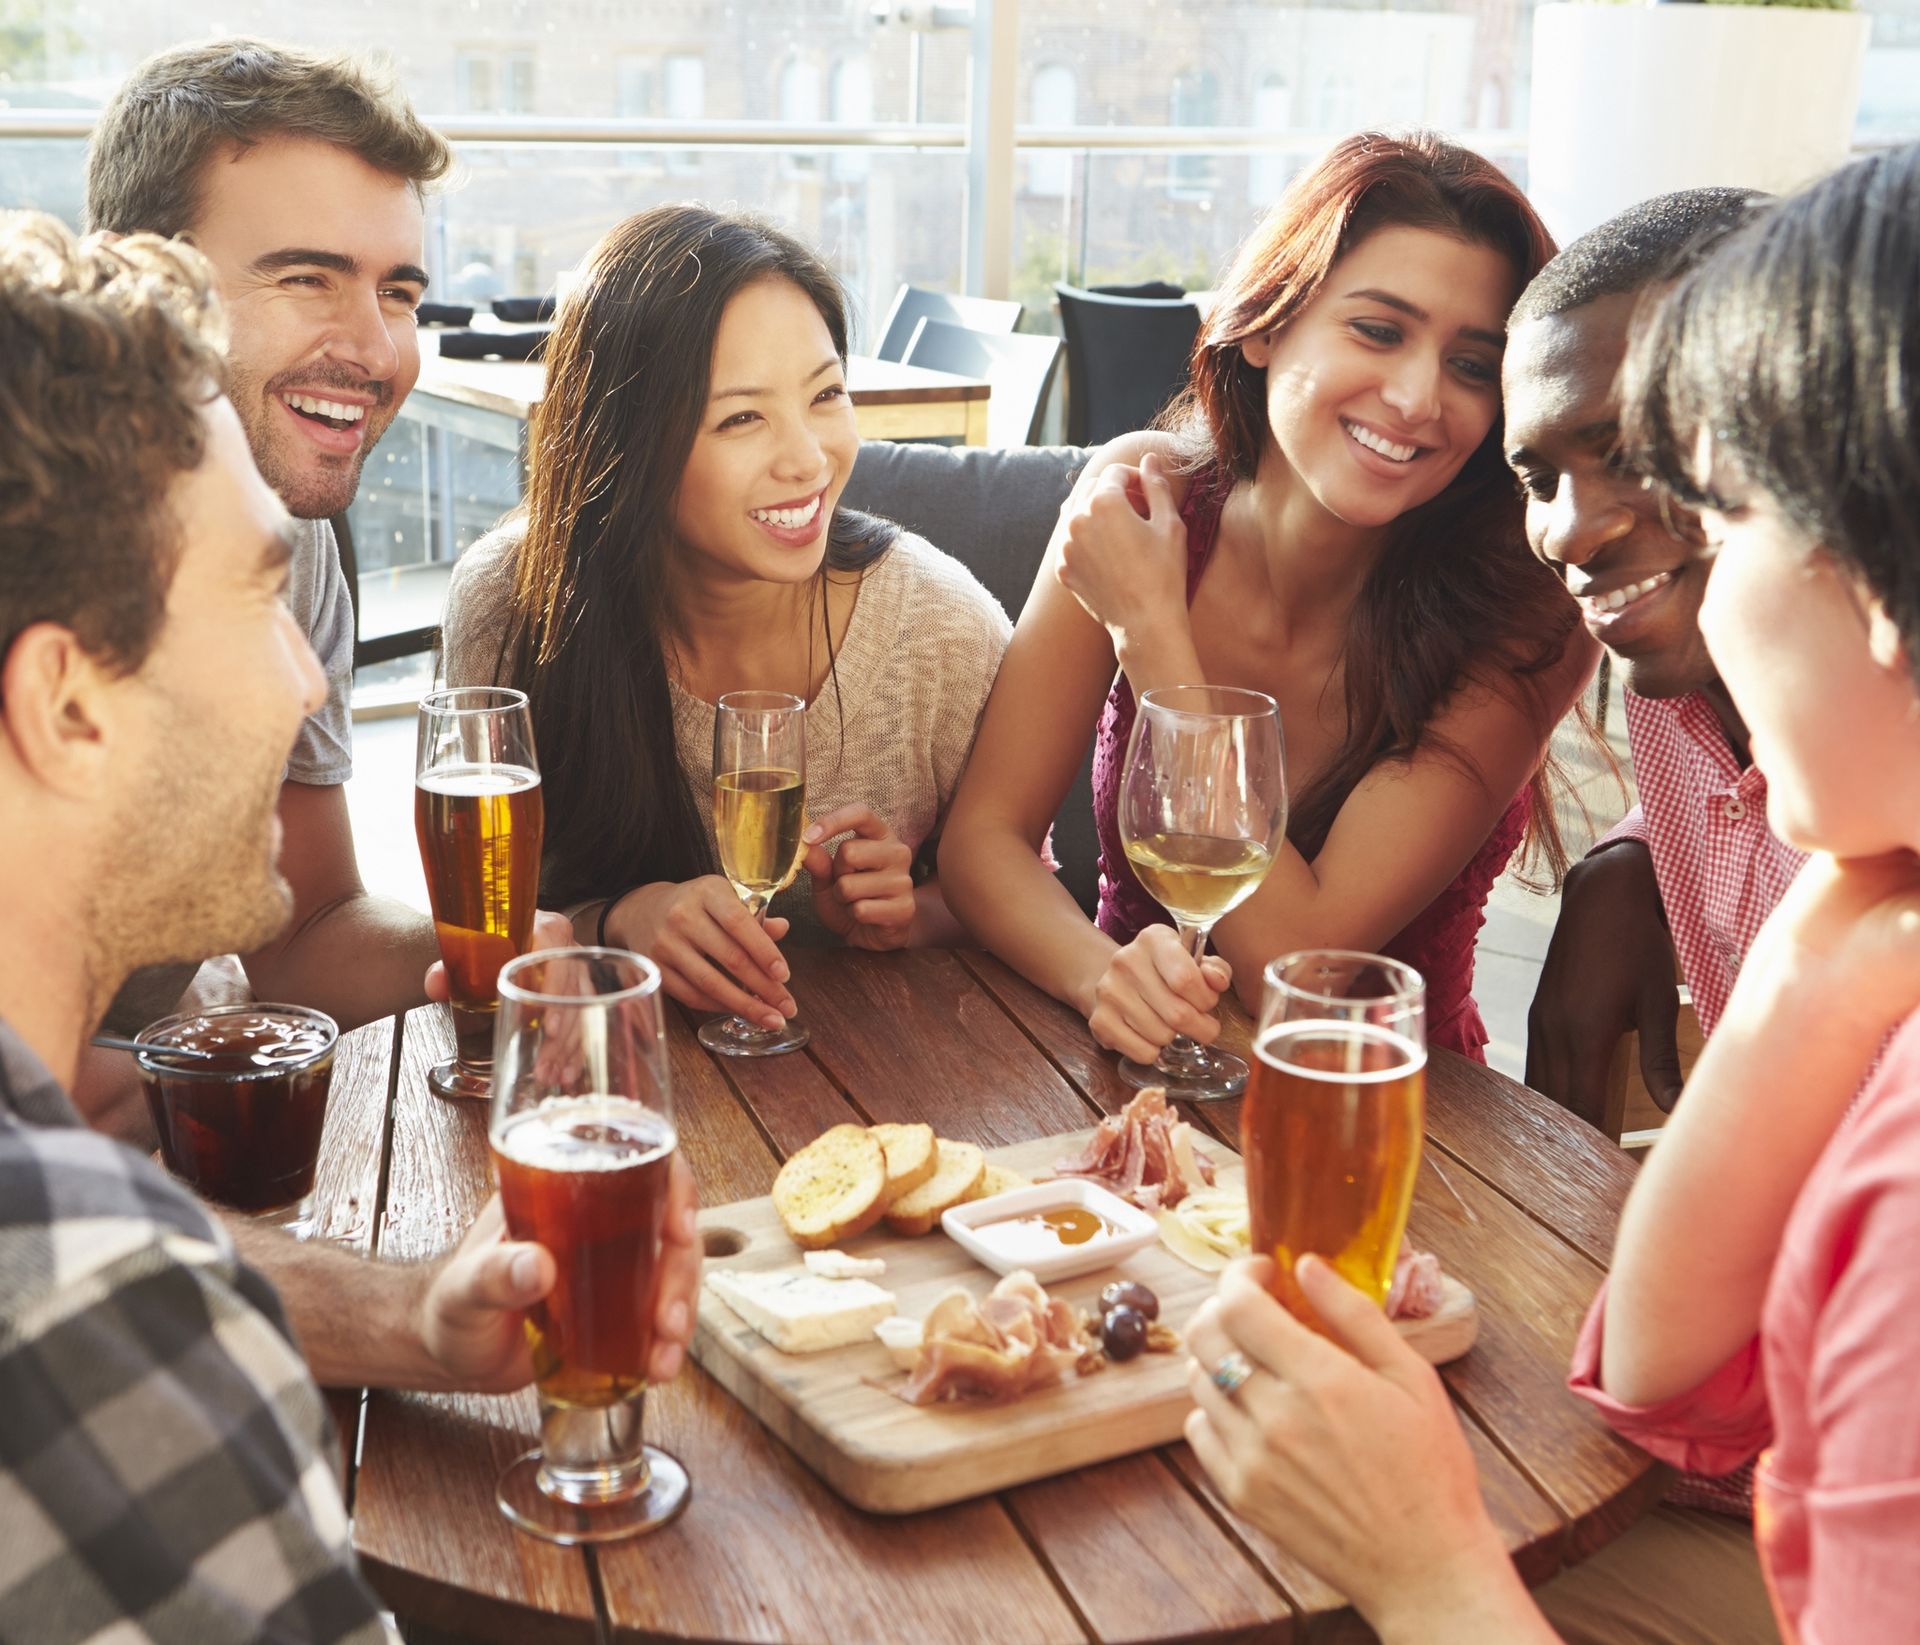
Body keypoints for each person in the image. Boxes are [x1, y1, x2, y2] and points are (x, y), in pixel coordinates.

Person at [1180, 141, 1920, 1645]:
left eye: (1731, 497)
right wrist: (1793, 932)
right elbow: (1659, 1380)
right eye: (1541, 475)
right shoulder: (1836, 863)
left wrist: (1427, 1567)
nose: (1580, 532)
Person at [939, 130, 1595, 1068]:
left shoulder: (1530, 609)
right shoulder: (1144, 500)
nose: (1417, 397)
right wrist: (1100, 977)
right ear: (1264, 323)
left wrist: (1155, 637)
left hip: (1397, 1125)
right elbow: (985, 841)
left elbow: (1299, 966)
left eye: (1471, 364)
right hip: (1129, 1068)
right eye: (1378, 330)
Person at [442, 206, 1011, 1030]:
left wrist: (911, 910)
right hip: (598, 1088)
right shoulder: (513, 601)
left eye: (826, 395)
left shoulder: (940, 626)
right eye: (742, 417)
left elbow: (1026, 892)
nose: (808, 458)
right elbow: (487, 923)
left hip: (874, 1087)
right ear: (625, 442)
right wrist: (619, 922)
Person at [81, 40, 480, 1054]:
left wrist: (507, 952)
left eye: (399, 291)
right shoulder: (33, 547)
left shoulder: (295, 550)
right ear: (136, 277)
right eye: (309, 277)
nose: (380, 350)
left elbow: (301, 932)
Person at [1503, 189, 1802, 1129]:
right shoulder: (1676, 678)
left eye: (1630, 449)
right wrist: (1627, 860)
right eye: (1540, 478)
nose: (1568, 530)